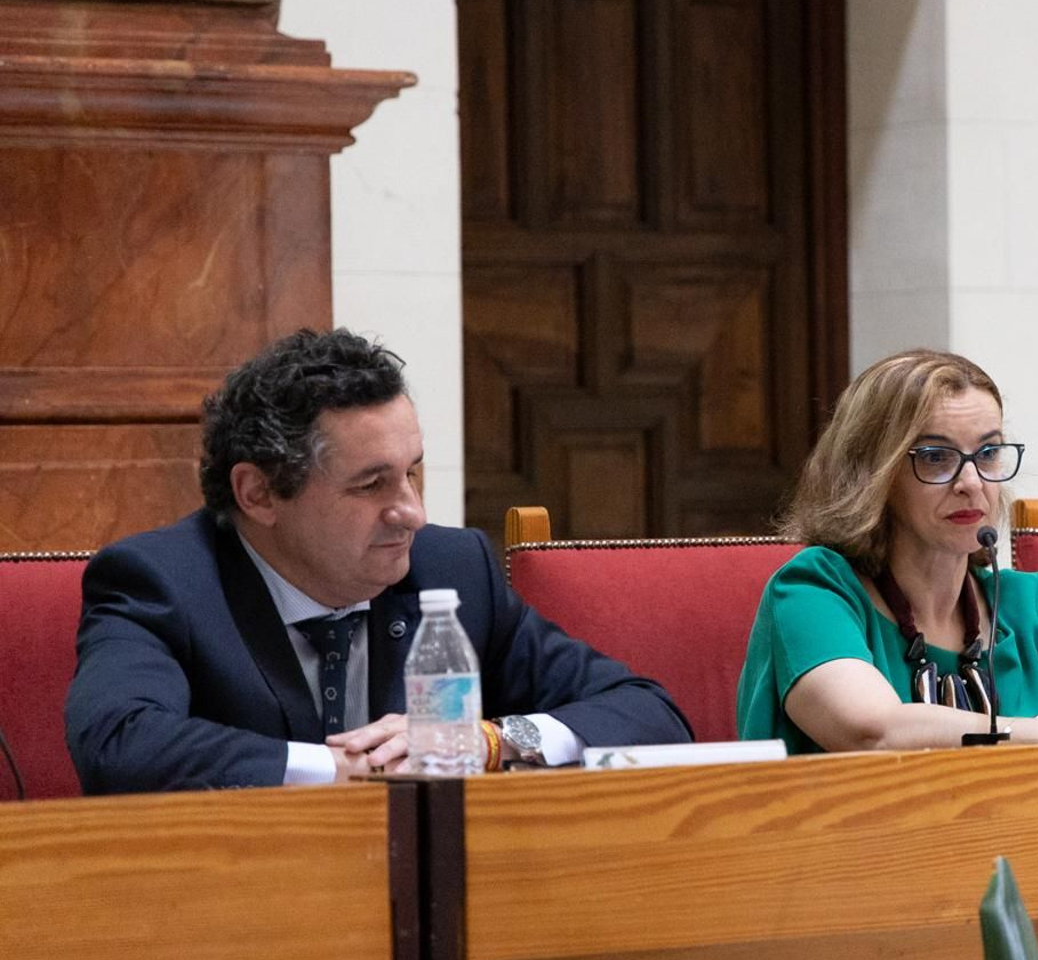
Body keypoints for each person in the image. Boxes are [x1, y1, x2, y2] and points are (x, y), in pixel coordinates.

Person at [66, 329, 691, 794]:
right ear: (258, 493)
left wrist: (491, 742)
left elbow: (649, 714)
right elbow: (119, 742)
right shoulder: (164, 582)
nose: (411, 512)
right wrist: (343, 769)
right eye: (371, 485)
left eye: (413, 473)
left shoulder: (450, 569)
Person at [736, 349, 1038, 753]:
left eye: (987, 454)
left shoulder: (1027, 609)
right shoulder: (815, 589)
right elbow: (871, 732)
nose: (971, 484)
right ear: (872, 475)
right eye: (936, 457)